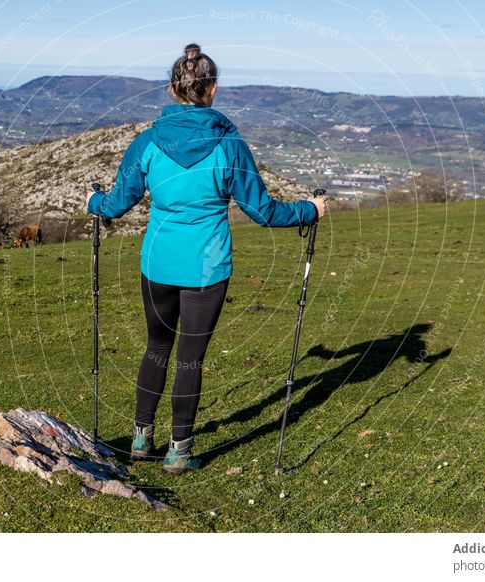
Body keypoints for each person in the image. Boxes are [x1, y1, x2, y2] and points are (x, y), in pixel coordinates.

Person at [86, 43, 326, 474]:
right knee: (190, 358)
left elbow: (117, 204)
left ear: (172, 88)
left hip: (157, 264)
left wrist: (93, 201)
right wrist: (310, 209)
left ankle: (141, 437)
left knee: (157, 346)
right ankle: (180, 449)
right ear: (212, 88)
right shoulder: (229, 144)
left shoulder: (146, 143)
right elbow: (264, 211)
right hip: (207, 269)